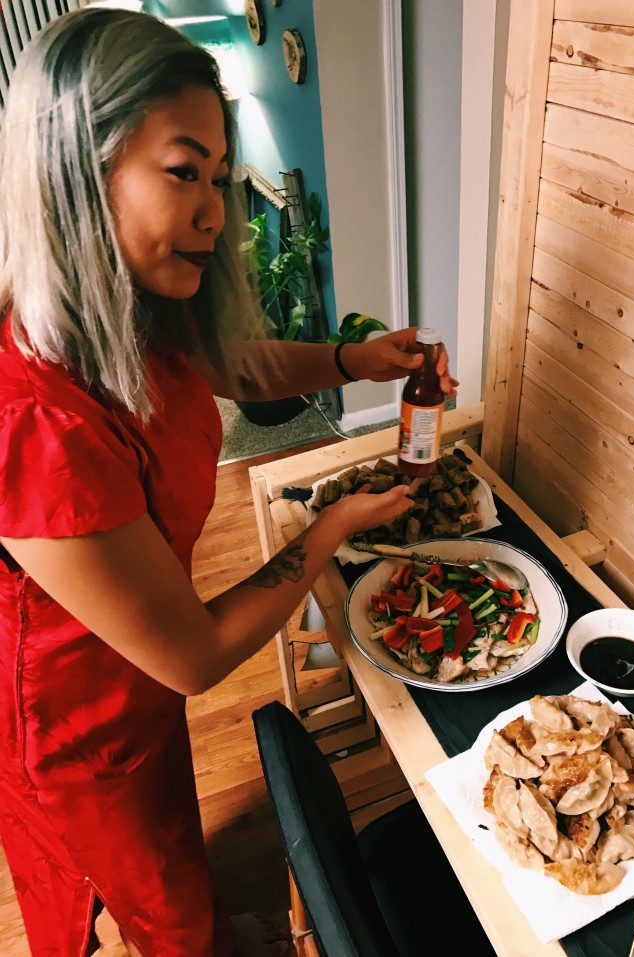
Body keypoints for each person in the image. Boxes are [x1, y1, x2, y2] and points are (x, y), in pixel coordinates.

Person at [0, 8, 458, 957]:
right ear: (76, 173)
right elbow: (196, 655)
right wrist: (328, 527)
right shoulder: (34, 421)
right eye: (183, 172)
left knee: (174, 847)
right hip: (73, 724)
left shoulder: (134, 303)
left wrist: (356, 357)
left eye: (218, 175)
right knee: (150, 893)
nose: (217, 208)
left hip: (138, 667)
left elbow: (237, 366)